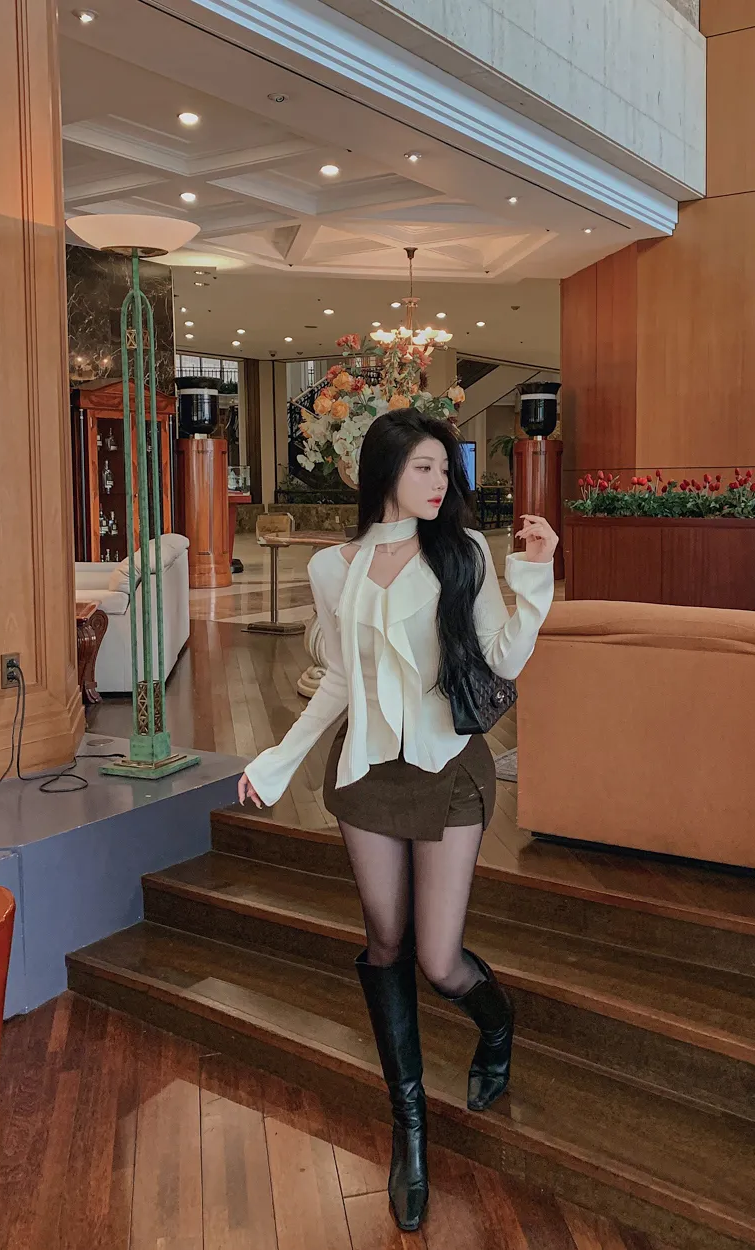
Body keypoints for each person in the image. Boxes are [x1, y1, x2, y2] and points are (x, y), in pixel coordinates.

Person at [238, 410, 557, 1233]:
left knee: (439, 958)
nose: (440, 482)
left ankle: (497, 1026)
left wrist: (534, 577)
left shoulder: (464, 553)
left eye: (445, 470)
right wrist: (277, 761)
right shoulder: (331, 568)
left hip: (449, 769)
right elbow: (340, 682)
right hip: (370, 773)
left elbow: (500, 658)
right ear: (384, 472)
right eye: (424, 468)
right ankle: (408, 1127)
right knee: (386, 942)